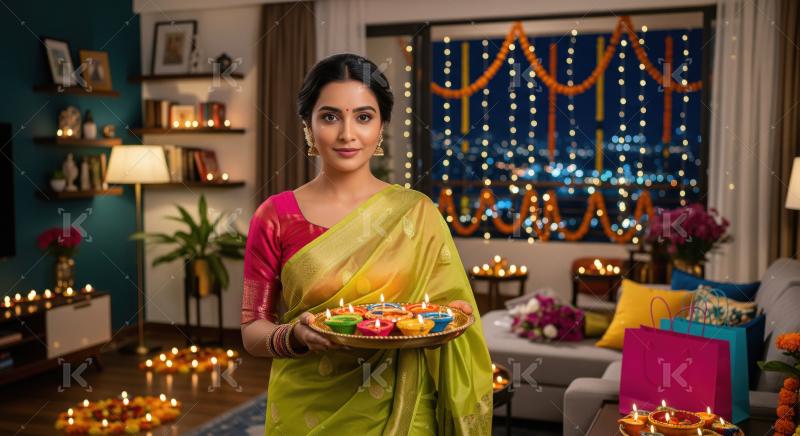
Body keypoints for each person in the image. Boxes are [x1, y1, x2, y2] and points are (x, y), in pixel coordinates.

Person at [241, 53, 492, 435]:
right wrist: (293, 336)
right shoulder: (275, 216)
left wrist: (451, 317)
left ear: (381, 126)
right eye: (329, 116)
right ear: (308, 125)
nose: (347, 134)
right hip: (304, 408)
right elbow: (252, 330)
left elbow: (446, 307)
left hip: (403, 408)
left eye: (363, 116)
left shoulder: (416, 213)